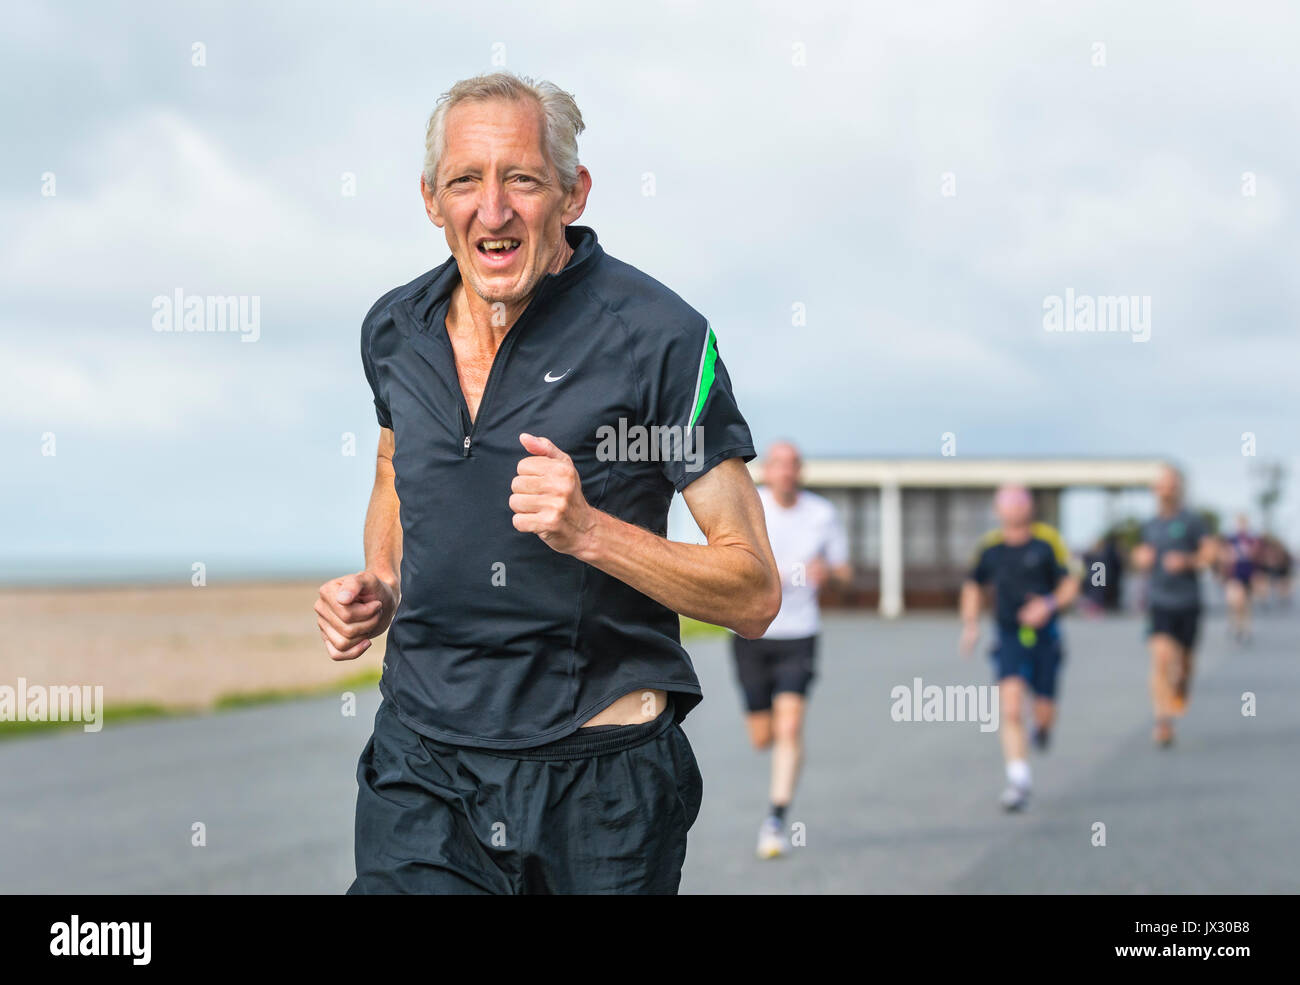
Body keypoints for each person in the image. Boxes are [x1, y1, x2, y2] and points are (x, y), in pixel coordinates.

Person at [316, 72, 780, 894]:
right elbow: (394, 467)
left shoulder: (659, 338)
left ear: (572, 192)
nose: (492, 210)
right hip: (424, 767)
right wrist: (383, 580)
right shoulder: (394, 330)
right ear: (431, 198)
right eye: (466, 180)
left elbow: (752, 590)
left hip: (599, 784)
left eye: (521, 179)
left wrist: (589, 530)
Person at [734, 441, 850, 859]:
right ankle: (774, 788)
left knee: (789, 727)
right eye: (778, 464)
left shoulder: (822, 514)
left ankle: (776, 818)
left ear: (800, 471)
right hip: (752, 632)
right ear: (766, 470)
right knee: (762, 736)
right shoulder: (751, 506)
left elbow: (844, 571)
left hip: (800, 633)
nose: (786, 471)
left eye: (793, 465)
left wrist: (828, 574)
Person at [960, 485, 1079, 811]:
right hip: (1009, 635)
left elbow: (1070, 583)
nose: (1013, 509)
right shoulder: (990, 548)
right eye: (1007, 504)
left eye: (1019, 502)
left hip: (1045, 635)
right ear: (998, 510)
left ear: (1030, 508)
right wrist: (971, 625)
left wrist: (1048, 604)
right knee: (1011, 708)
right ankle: (1018, 781)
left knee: (1043, 709)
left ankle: (1042, 728)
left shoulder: (1047, 542)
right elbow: (973, 585)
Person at [1132, 466, 1217, 747]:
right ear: (1155, 490)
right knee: (1161, 658)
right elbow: (1139, 555)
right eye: (1162, 485)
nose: (1166, 490)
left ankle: (1181, 688)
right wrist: (1141, 559)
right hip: (1159, 603)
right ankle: (1163, 721)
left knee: (1185, 664)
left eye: (1171, 485)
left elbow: (1210, 554)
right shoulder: (1148, 525)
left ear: (1179, 488)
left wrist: (1187, 561)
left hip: (1188, 602)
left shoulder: (1193, 521)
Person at [1222, 514, 1259, 643]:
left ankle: (1246, 627)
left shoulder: (1252, 539)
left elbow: (1256, 556)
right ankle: (1236, 624)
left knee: (1246, 603)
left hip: (1247, 574)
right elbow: (1225, 555)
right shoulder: (1232, 539)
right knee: (1235, 601)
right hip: (1234, 574)